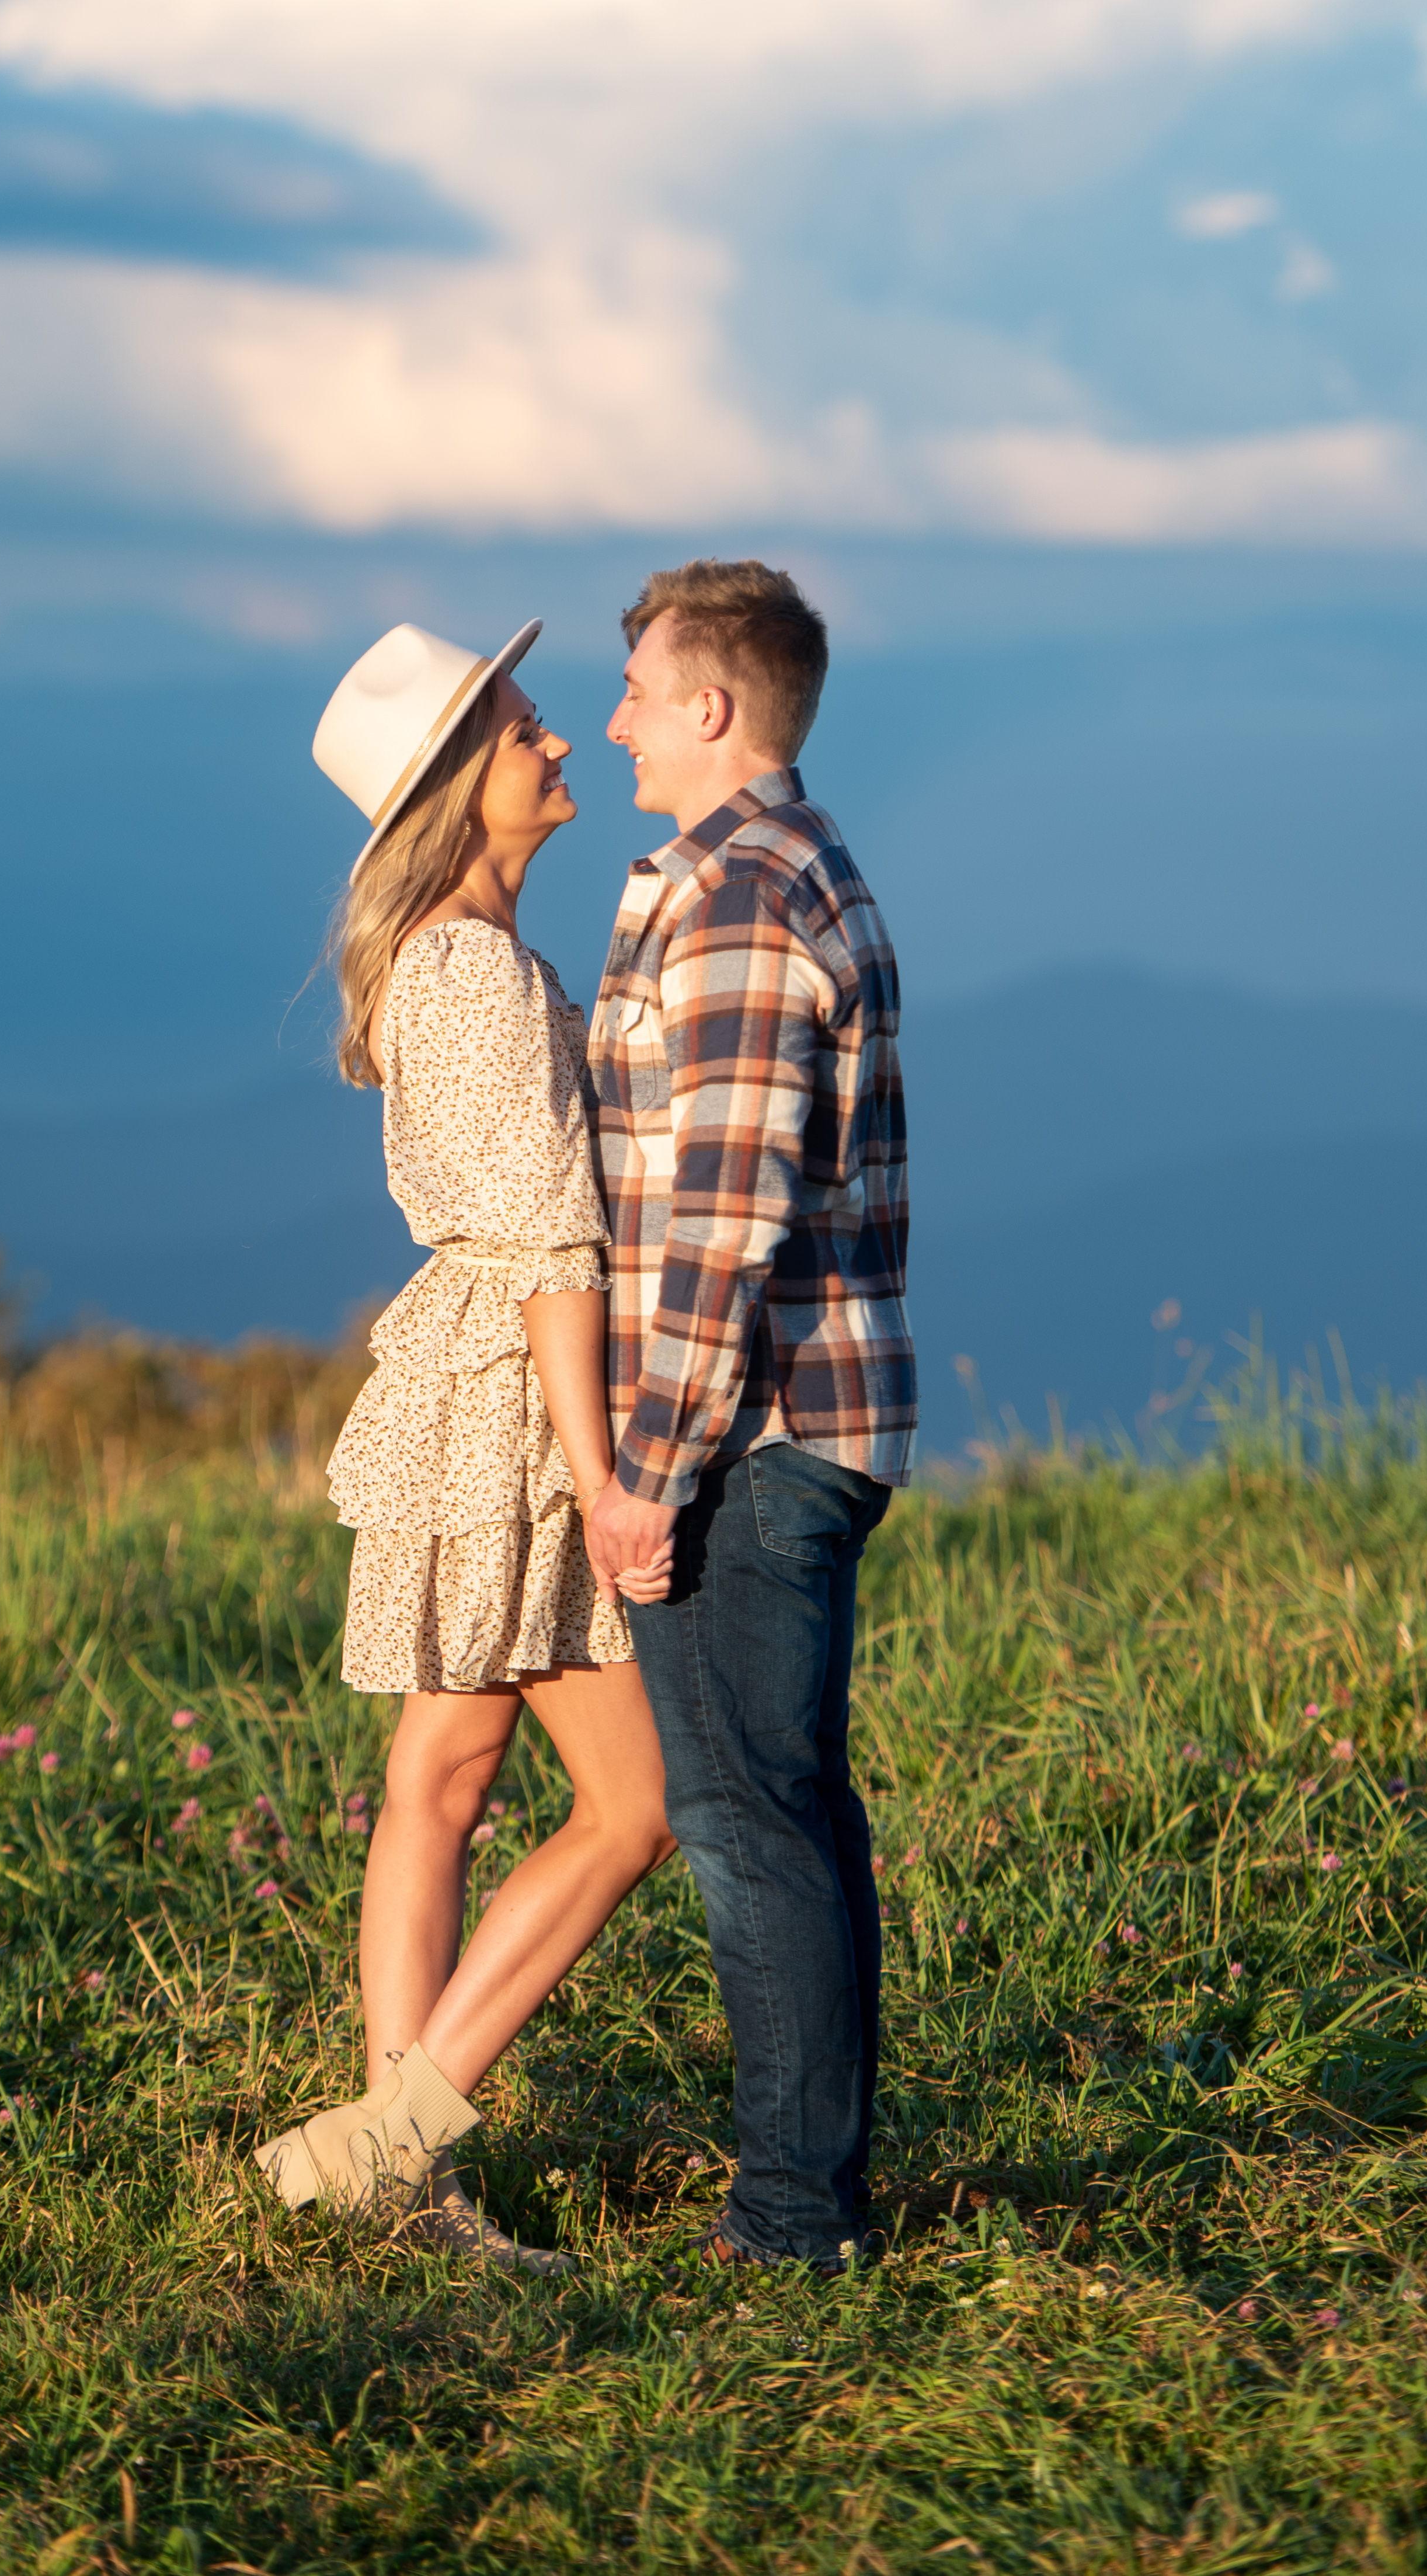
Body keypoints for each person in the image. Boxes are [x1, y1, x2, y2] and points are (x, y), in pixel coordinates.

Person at [251, 617, 678, 2267]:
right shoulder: (480, 971)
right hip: (512, 1394)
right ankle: (392, 2140)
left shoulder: (446, 959)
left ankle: (402, 2188)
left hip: (465, 1381)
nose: (560, 747)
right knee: (633, 1807)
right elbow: (554, 1245)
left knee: (438, 1779)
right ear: (457, 786)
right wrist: (601, 1470)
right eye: (525, 733)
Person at [577, 561, 916, 2275]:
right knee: (790, 1812)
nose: (614, 718)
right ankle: (818, 2190)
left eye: (638, 689)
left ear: (714, 707)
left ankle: (795, 2224)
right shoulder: (770, 870)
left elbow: (719, 1223)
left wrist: (645, 1480)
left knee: (741, 1825)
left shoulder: (737, 901)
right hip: (798, 1430)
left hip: (754, 1440)